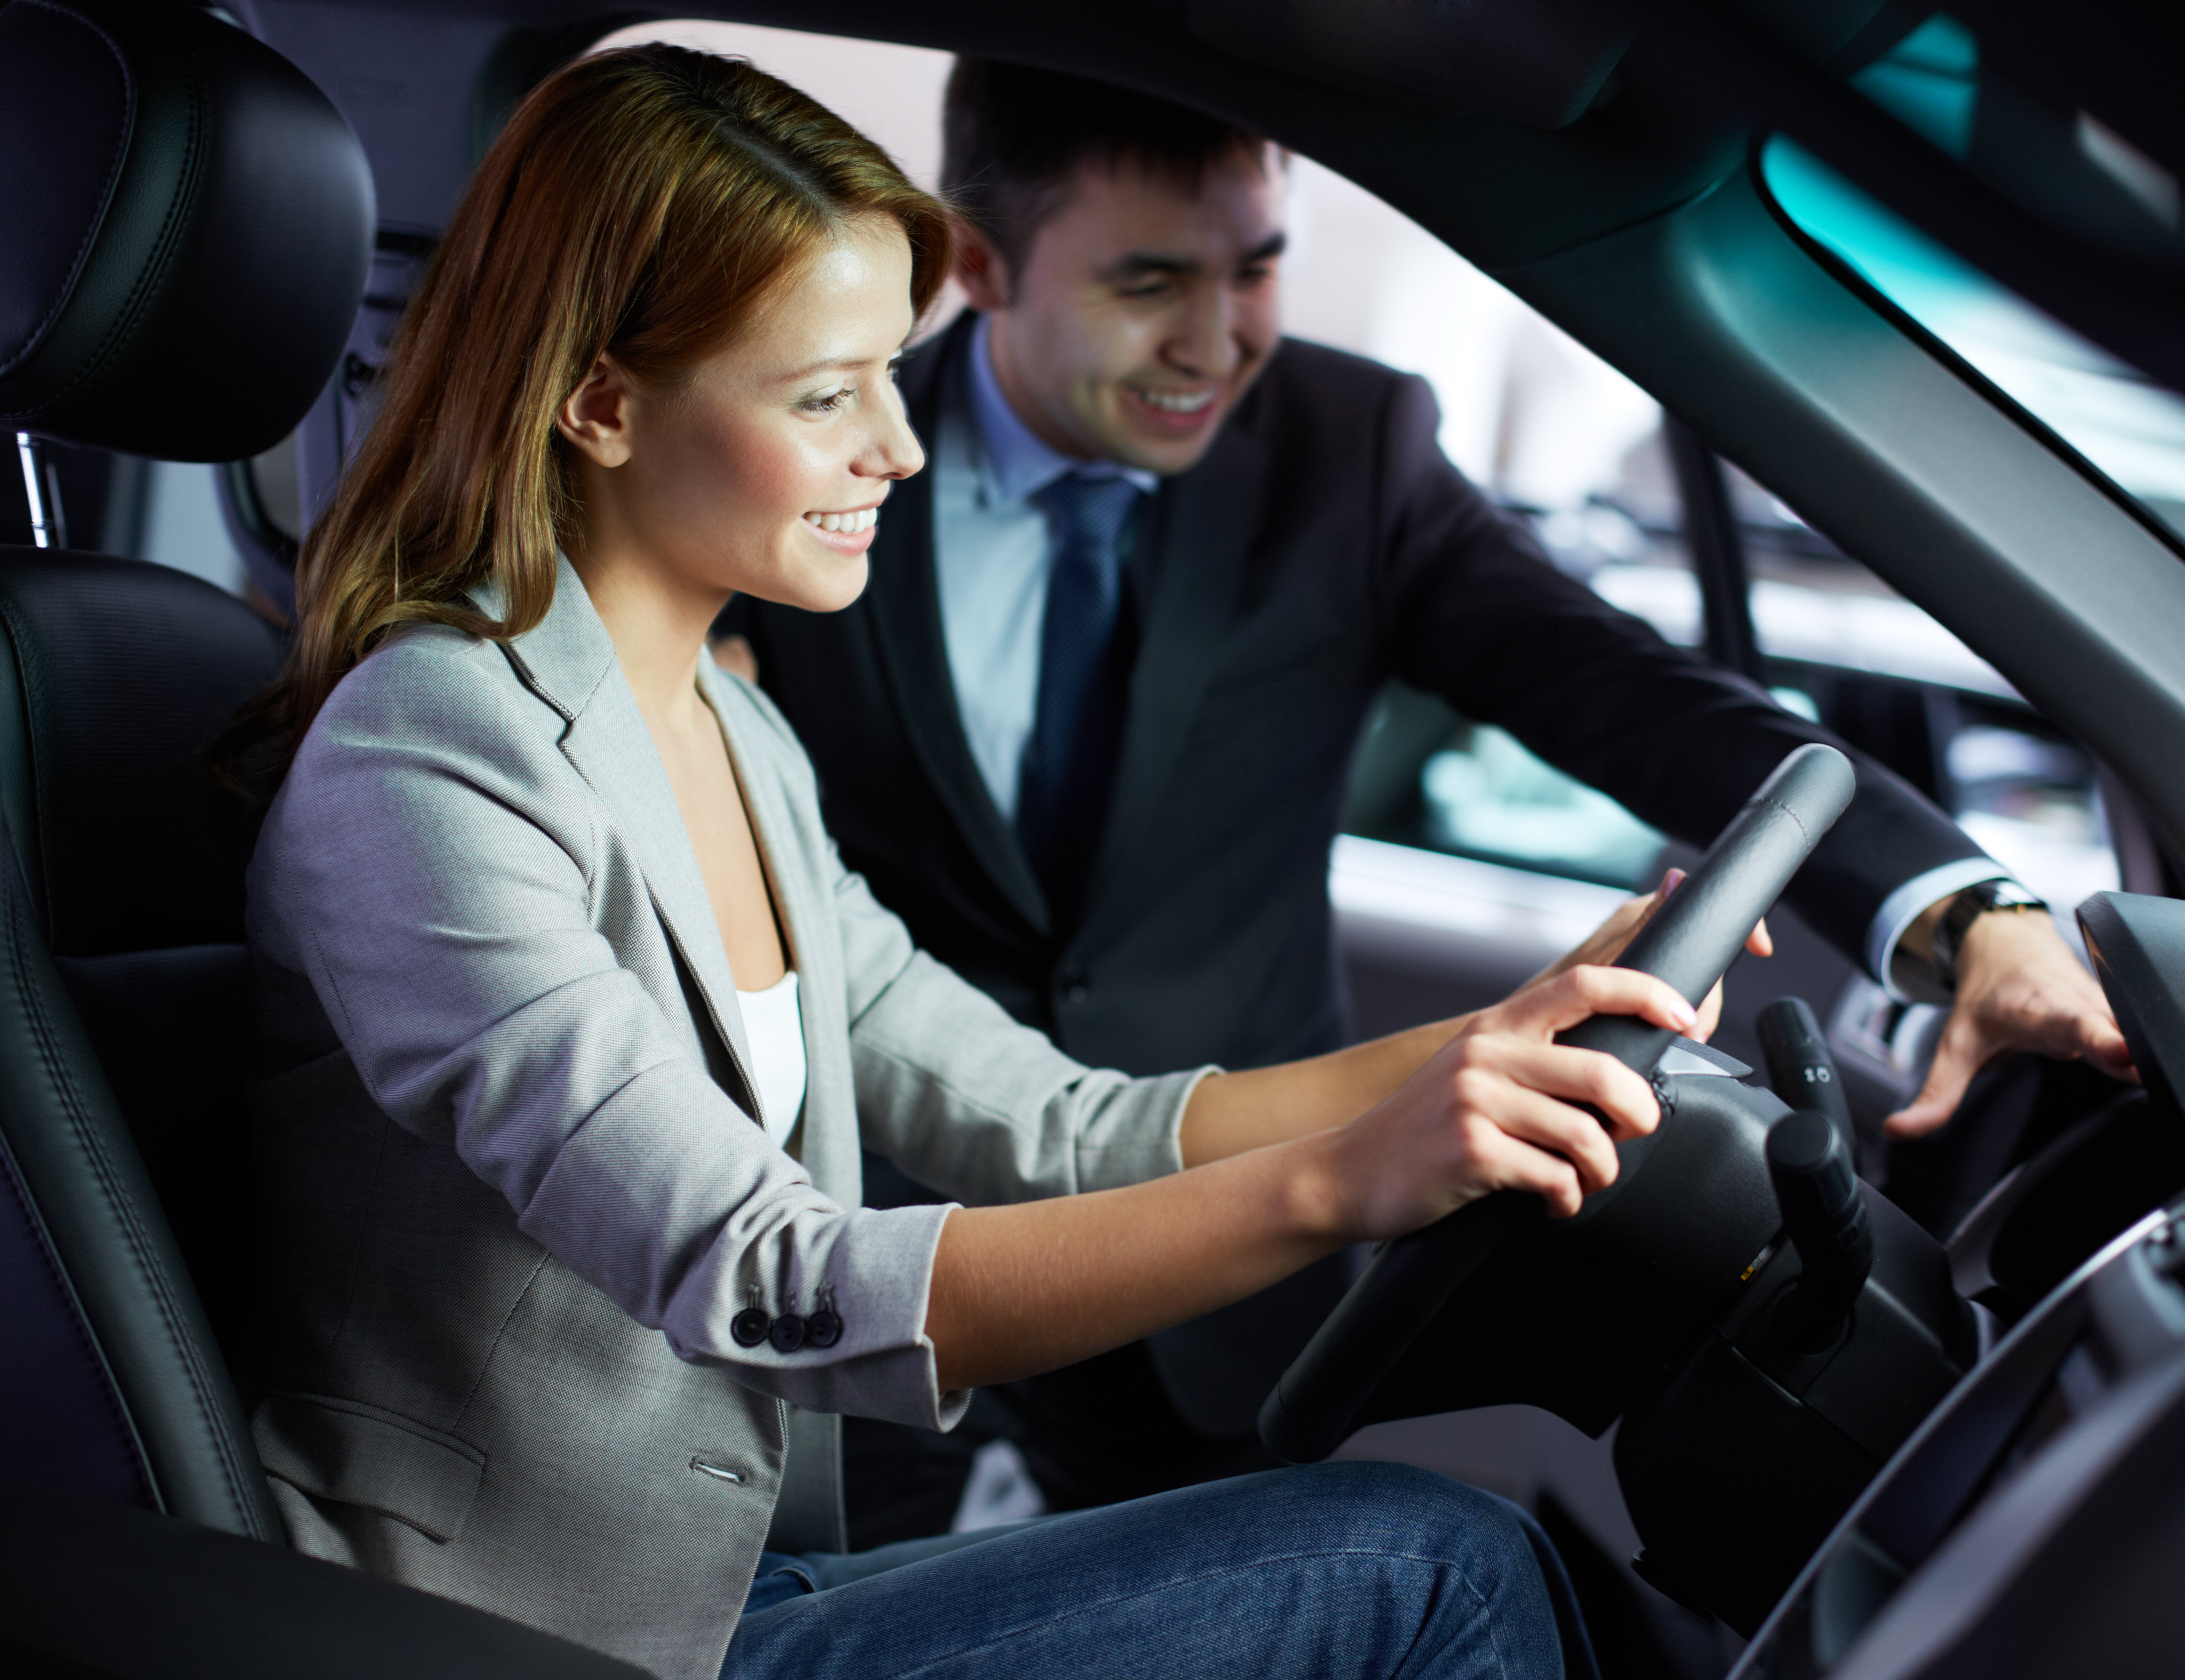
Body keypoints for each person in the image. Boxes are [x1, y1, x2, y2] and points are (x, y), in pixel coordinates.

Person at [231, 43, 1700, 1680]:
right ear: (602, 404)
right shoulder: (425, 756)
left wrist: (1476, 1055)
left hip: (729, 1588)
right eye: (823, 396)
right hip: (517, 1631)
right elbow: (760, 1274)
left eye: (889, 373)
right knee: (1433, 1565)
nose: (902, 448)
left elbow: (1067, 1124)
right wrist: (1342, 1183)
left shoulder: (732, 734)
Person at [722, 60, 2137, 1519]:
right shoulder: (815, 470)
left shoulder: (1354, 454)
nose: (1216, 343)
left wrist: (1975, 913)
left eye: (1257, 270)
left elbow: (1641, 698)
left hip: (1226, 1271)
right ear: (980, 260)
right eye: (1150, 282)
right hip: (887, 1246)